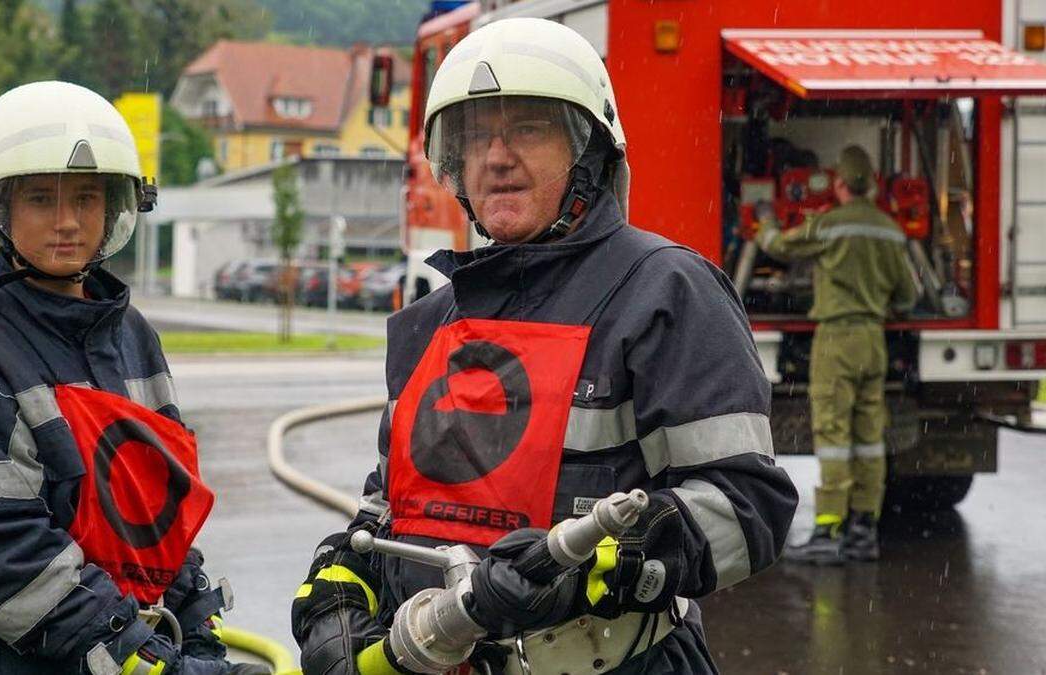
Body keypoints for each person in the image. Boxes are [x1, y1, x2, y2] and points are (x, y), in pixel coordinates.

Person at [291, 18, 797, 675]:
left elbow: (748, 505)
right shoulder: (435, 318)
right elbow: (392, 503)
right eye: (476, 136)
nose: (496, 156)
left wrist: (606, 562)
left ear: (587, 149)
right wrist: (344, 574)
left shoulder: (665, 292)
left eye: (527, 128)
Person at [0, 81, 262, 674]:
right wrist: (136, 656)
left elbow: (156, 506)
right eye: (41, 199)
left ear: (114, 208)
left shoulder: (133, 336)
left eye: (87, 198)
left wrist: (194, 625)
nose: (67, 222)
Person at [756, 145, 919, 565]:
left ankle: (828, 531)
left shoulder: (828, 226)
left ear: (840, 183)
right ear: (875, 184)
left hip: (837, 338)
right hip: (873, 339)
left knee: (832, 433)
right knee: (868, 435)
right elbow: (908, 294)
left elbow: (777, 246)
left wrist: (764, 219)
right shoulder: (889, 228)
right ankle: (864, 530)